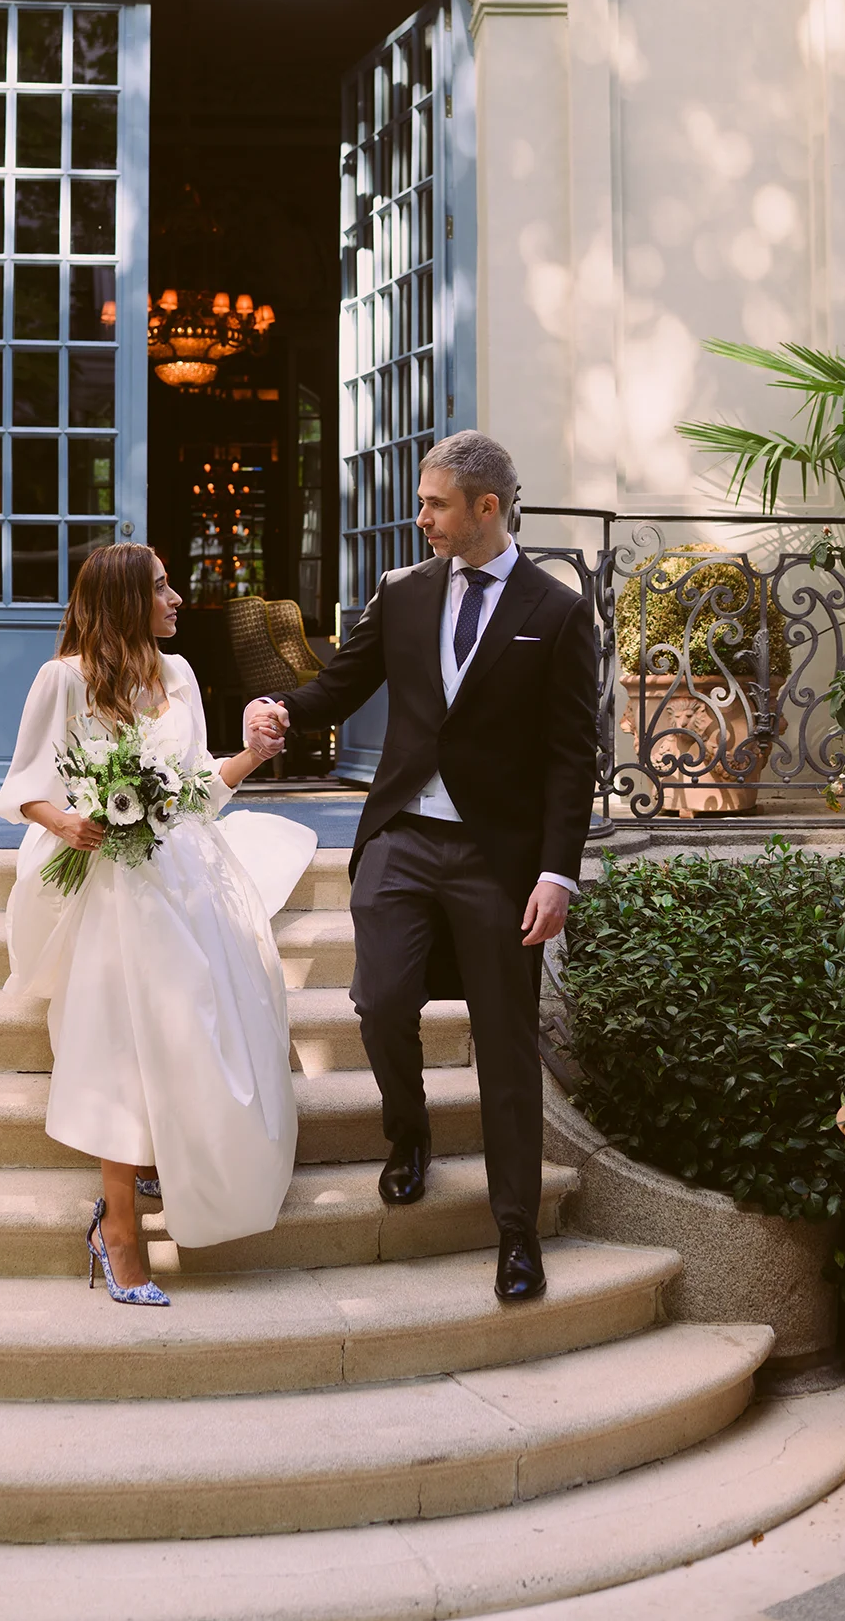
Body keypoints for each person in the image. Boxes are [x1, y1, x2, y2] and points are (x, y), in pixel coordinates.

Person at [246, 432, 598, 1303]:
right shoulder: (402, 591)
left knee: (505, 1045)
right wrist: (279, 708)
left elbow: (570, 755)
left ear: (487, 506)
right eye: (421, 501)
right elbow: (340, 684)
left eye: (435, 503)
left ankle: (515, 1231)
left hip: (497, 858)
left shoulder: (557, 611)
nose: (421, 518)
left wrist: (556, 873)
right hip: (401, 836)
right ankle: (408, 1133)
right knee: (379, 999)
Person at [0, 544, 316, 1306]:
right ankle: (119, 1229)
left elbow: (198, 790)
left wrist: (251, 755)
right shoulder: (62, 679)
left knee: (199, 1017)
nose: (176, 598)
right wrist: (67, 822)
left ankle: (166, 1155)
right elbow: (22, 787)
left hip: (186, 865)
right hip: (105, 869)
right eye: (162, 587)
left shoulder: (178, 675)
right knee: (120, 1032)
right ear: (123, 600)